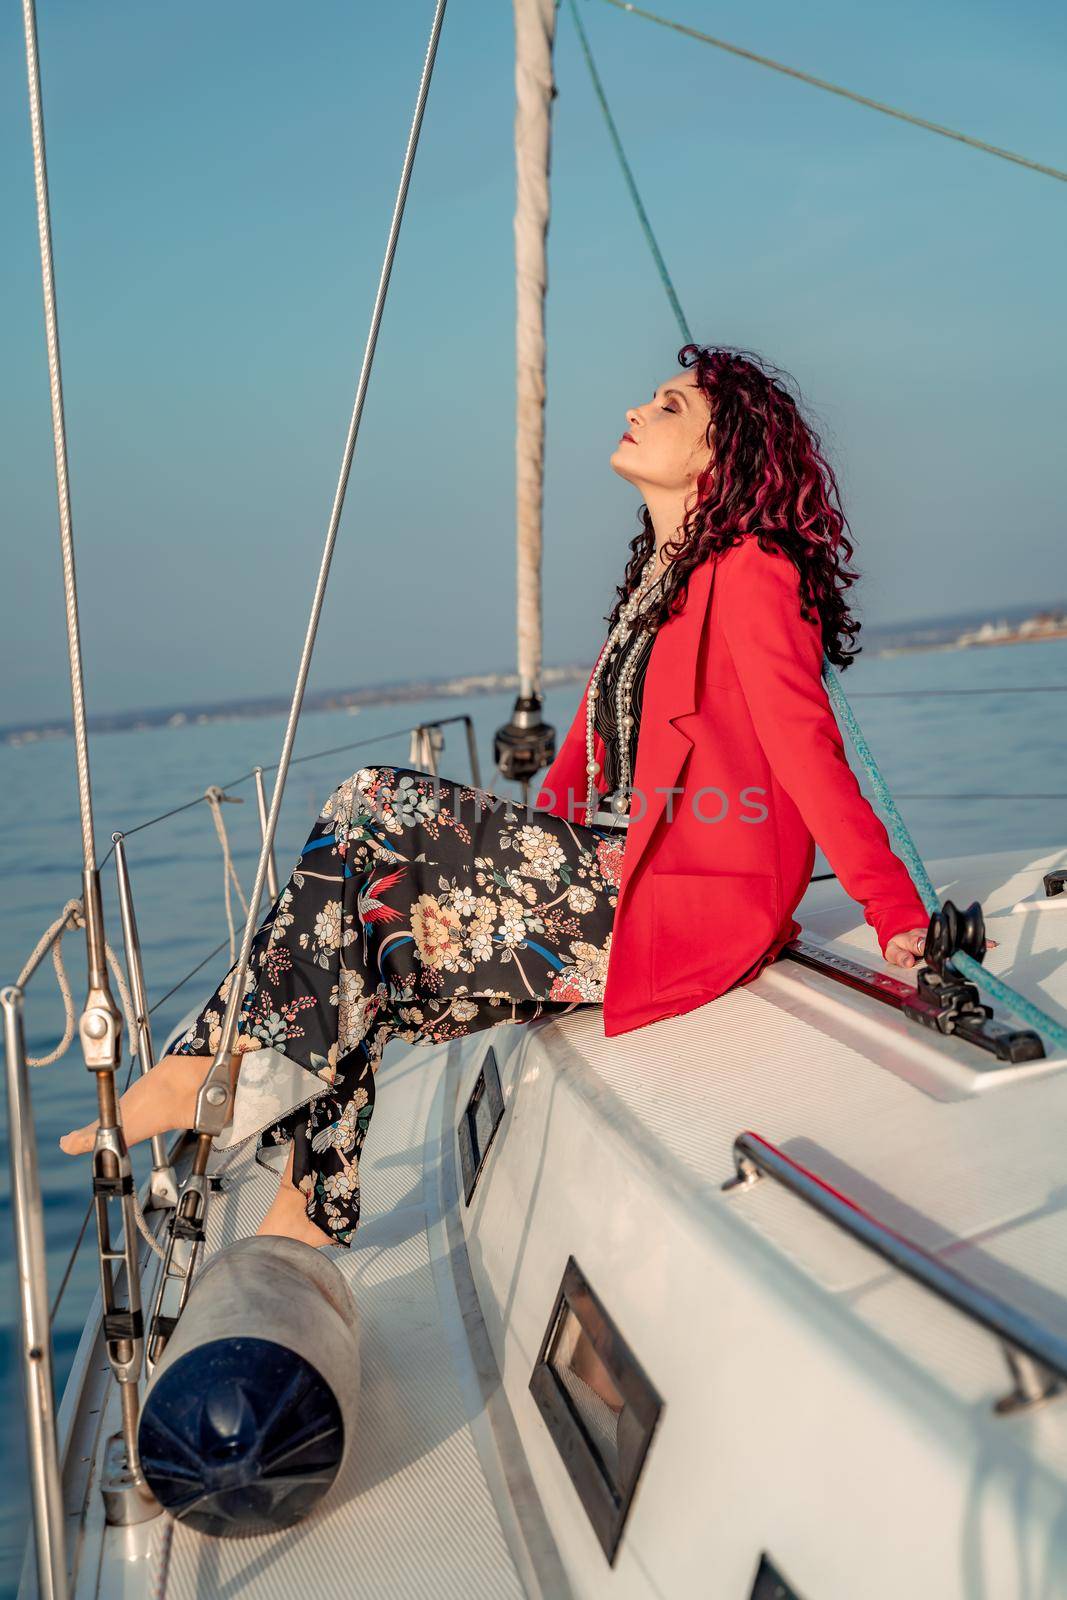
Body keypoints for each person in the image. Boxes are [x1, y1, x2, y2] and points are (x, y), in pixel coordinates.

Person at [61, 343, 991, 1247]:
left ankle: (213, 1067)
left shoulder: (753, 570)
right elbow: (583, 766)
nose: (637, 408)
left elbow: (805, 747)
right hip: (610, 872)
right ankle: (304, 1212)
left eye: (670, 406)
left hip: (681, 896)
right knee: (368, 933)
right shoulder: (657, 584)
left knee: (370, 801)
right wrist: (504, 841)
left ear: (722, 453)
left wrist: (894, 912)